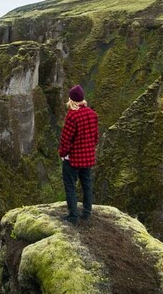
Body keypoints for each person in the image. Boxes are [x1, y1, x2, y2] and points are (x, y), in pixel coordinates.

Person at [58, 85, 99, 225]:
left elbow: (66, 139)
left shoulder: (72, 116)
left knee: (70, 186)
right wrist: (89, 150)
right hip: (87, 158)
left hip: (73, 159)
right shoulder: (93, 114)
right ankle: (87, 213)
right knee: (87, 185)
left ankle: (73, 217)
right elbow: (95, 137)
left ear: (72, 99)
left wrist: (63, 154)